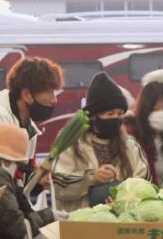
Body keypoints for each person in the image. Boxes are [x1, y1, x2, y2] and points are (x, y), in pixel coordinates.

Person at [52, 72, 150, 211]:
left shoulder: (130, 145)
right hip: (80, 223)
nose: (116, 118)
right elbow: (57, 184)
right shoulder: (71, 143)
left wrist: (122, 198)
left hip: (122, 222)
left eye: (120, 113)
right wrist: (91, 177)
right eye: (110, 114)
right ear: (93, 116)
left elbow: (144, 181)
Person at [0, 57, 63, 180]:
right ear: (26, 95)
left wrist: (37, 180)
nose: (54, 100)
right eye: (49, 93)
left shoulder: (28, 125)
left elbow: (20, 177)